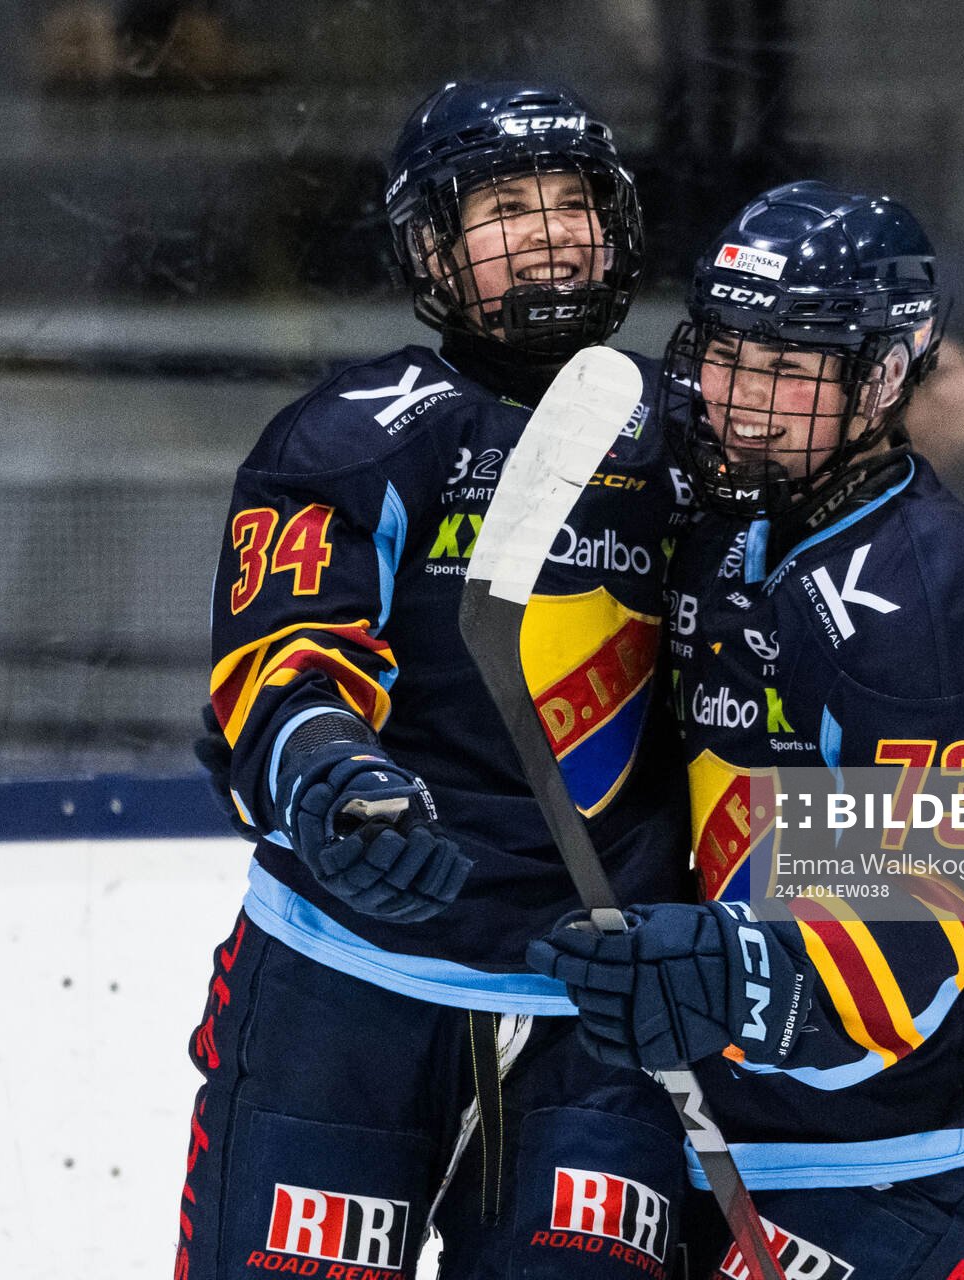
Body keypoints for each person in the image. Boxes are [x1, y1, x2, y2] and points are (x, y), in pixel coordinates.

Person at [529, 181, 964, 1279]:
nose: (741, 398)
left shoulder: (927, 595)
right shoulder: (731, 499)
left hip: (918, 1157)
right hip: (721, 1114)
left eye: (786, 368)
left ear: (879, 378)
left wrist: (731, 972)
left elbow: (929, 902)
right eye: (725, 353)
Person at [174, 81, 702, 1280]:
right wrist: (331, 774)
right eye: (505, 206)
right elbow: (285, 659)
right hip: (350, 984)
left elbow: (862, 629)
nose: (549, 228)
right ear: (432, 247)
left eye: (571, 199)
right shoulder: (361, 431)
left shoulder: (694, 445)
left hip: (600, 1010)